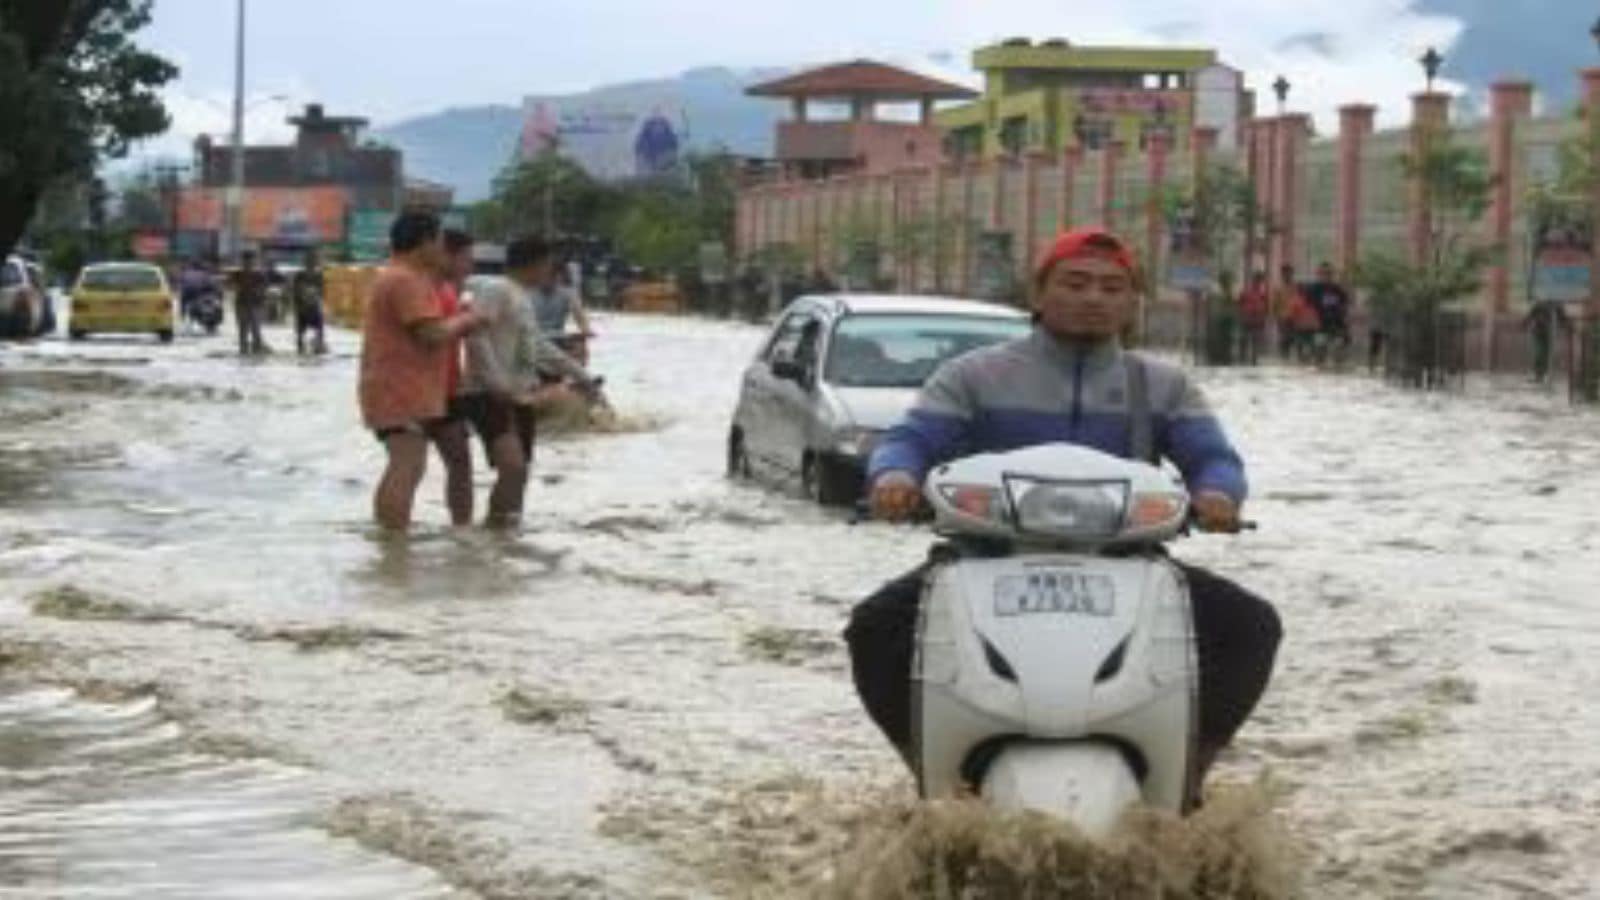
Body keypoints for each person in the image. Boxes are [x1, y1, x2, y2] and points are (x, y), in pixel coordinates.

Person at [844, 226, 1282, 797]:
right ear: (1039, 292)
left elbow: (1214, 458)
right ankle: (929, 770)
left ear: (1132, 303)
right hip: (984, 558)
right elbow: (909, 439)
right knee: (875, 631)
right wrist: (895, 479)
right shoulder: (974, 376)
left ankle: (1191, 769)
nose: (1093, 298)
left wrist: (1218, 495)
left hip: (1130, 562)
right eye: (1075, 283)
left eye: (1111, 287)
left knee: (1249, 626)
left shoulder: (1162, 386)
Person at [358, 210, 486, 532]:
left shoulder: (403, 277)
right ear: (424, 242)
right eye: (439, 241)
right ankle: (393, 543)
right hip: (398, 388)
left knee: (408, 465)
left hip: (401, 387)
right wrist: (468, 320)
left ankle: (390, 542)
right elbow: (432, 334)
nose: (443, 248)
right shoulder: (405, 280)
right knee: (407, 465)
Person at [460, 235, 597, 529]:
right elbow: (476, 336)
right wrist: (495, 382)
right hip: (489, 393)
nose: (551, 273)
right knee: (513, 467)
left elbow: (537, 346)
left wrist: (583, 376)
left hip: (521, 392)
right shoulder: (496, 289)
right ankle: (493, 530)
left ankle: (506, 534)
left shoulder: (521, 296)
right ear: (535, 264)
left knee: (520, 471)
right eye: (548, 265)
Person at [432, 229, 478, 526]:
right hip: (425, 390)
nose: (470, 266)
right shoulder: (430, 288)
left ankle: (461, 530)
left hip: (449, 388)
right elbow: (434, 334)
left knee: (460, 461)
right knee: (409, 465)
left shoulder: (452, 290)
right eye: (466, 259)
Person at [533, 256, 596, 365]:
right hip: (533, 337)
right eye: (544, 275)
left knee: (579, 345)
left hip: (558, 336)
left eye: (553, 275)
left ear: (559, 276)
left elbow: (579, 315)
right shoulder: (527, 293)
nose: (548, 279)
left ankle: (579, 375)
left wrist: (585, 330)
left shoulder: (568, 294)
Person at [1303, 262, 1353, 366]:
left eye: (1329, 273)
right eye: (1324, 273)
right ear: (1319, 274)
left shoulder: (1337, 290)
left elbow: (1345, 305)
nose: (1326, 276)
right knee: (1320, 350)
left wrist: (1345, 320)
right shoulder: (1313, 289)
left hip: (1337, 324)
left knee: (1339, 349)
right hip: (1319, 324)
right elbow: (1307, 307)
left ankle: (1337, 367)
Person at [1525, 298, 1572, 384]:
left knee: (1548, 354)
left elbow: (1563, 318)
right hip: (1538, 332)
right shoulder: (1539, 304)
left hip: (1551, 333)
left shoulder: (1558, 305)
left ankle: (1546, 374)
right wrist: (1525, 324)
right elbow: (1531, 315)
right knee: (1539, 353)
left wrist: (1569, 327)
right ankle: (1538, 374)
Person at [232, 251, 269, 355]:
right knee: (242, 332)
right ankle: (243, 352)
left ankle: (257, 352)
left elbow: (263, 290)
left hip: (256, 306)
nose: (248, 263)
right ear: (242, 262)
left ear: (254, 262)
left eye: (250, 261)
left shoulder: (259, 275)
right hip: (241, 305)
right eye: (246, 261)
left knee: (256, 331)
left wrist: (259, 296)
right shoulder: (237, 275)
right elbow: (232, 287)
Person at [293, 251, 327, 356]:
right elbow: (295, 291)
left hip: (314, 308)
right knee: (300, 331)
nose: (311, 263)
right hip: (302, 308)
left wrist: (316, 298)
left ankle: (318, 345)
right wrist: (299, 302)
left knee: (319, 326)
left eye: (313, 261)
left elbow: (322, 292)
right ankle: (301, 347)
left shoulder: (318, 276)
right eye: (309, 261)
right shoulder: (300, 275)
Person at [1237, 271, 1270, 366]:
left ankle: (1254, 358)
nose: (1258, 283)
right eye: (1257, 280)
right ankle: (1243, 357)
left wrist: (1264, 318)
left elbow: (1266, 307)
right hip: (1247, 318)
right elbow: (1240, 303)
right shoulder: (1246, 291)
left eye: (1260, 281)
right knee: (1245, 338)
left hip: (1258, 319)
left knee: (1255, 339)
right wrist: (1241, 315)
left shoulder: (1263, 294)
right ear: (1253, 280)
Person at [1273, 264, 1300, 361]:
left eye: (1289, 273)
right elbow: (1275, 304)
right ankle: (1284, 357)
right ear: (1282, 275)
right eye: (1285, 273)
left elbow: (1300, 300)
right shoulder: (1278, 288)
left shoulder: (1296, 287)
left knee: (1295, 338)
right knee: (1284, 338)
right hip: (1283, 317)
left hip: (1295, 317)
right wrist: (1276, 317)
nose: (1287, 275)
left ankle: (1295, 357)